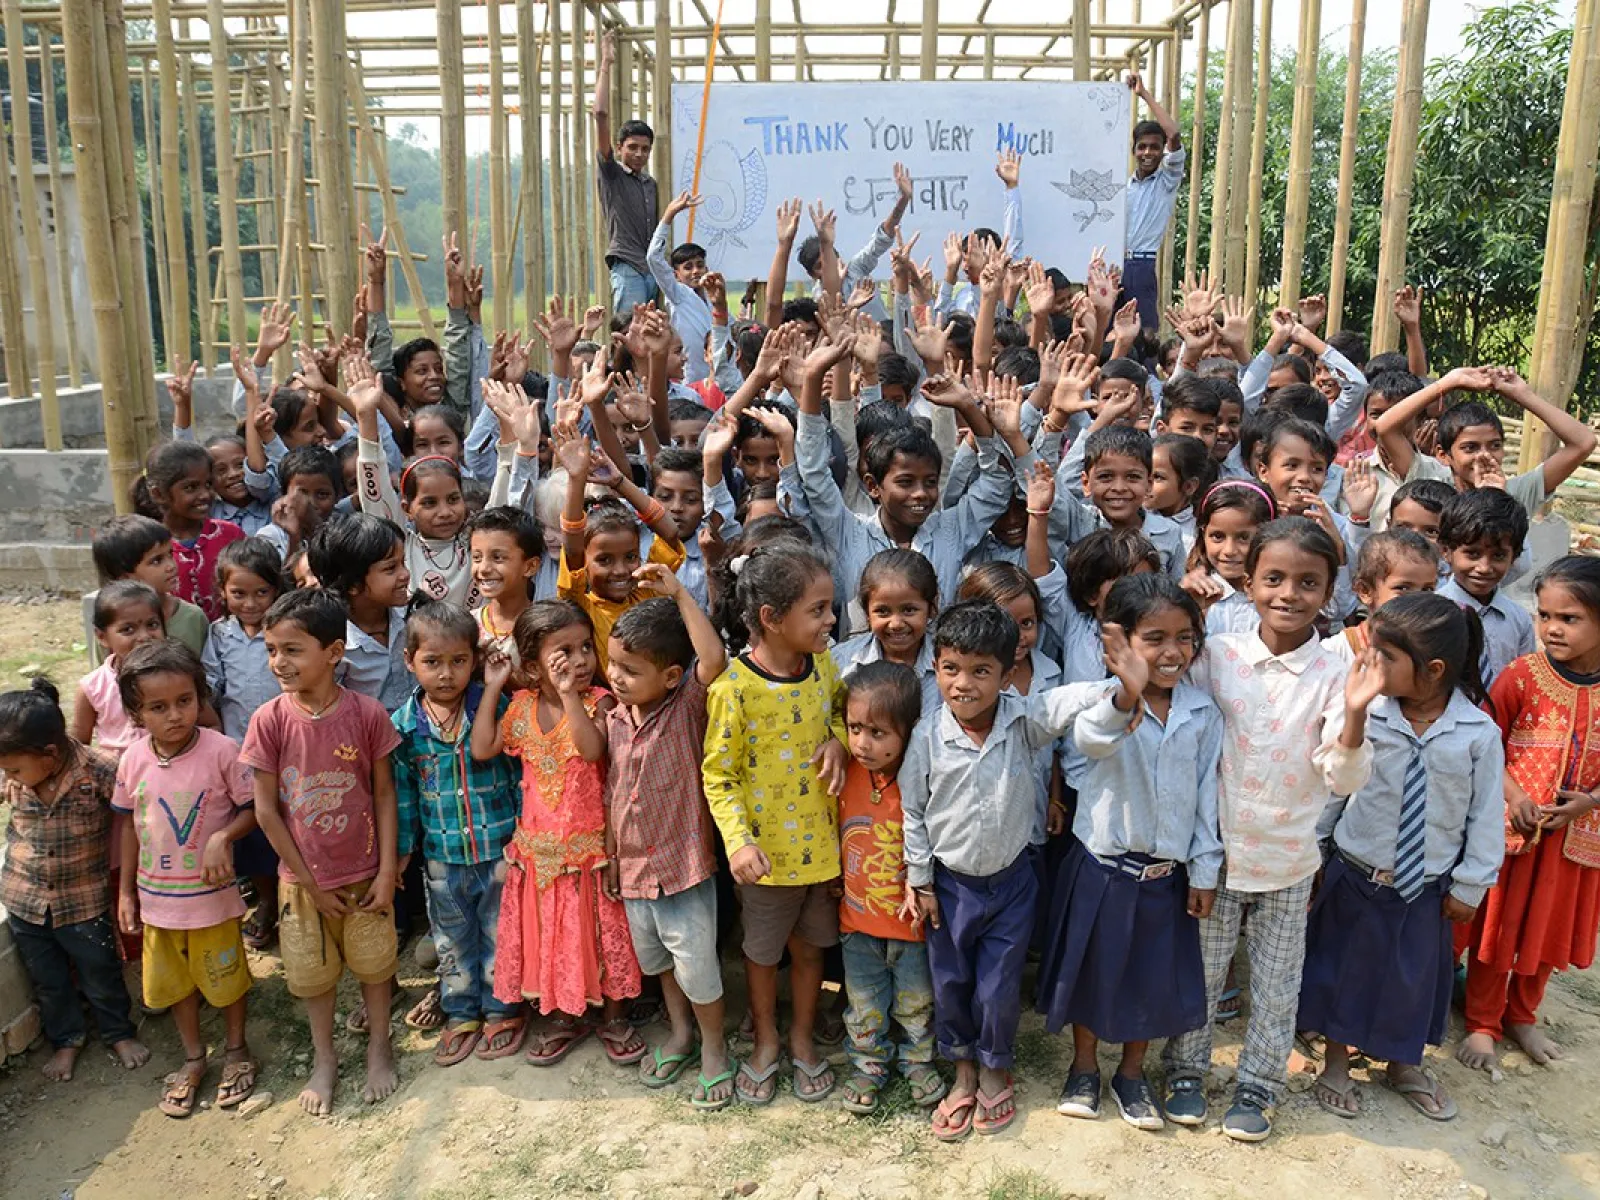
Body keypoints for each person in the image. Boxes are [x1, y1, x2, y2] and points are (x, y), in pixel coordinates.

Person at [1163, 517, 1379, 1142]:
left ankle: (1259, 1084)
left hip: (1289, 859)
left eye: (1308, 582)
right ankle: (1185, 1070)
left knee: (1277, 983)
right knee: (1202, 974)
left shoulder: (1339, 675)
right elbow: (1191, 735)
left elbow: (1342, 778)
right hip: (1218, 854)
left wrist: (1358, 713)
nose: (1289, 594)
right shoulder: (1220, 657)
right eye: (1274, 579)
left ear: (1331, 591)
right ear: (1250, 583)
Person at [900, 600, 1108, 1140]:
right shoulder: (927, 735)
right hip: (948, 887)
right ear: (936, 666)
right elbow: (913, 812)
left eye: (980, 671)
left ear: (1007, 670)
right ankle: (963, 1069)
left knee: (996, 986)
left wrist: (1118, 686)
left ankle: (995, 1066)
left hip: (1014, 882)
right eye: (950, 669)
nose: (963, 684)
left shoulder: (1023, 721)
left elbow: (1067, 701)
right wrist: (919, 880)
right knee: (951, 983)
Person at [1301, 593, 1503, 1122]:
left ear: (1433, 670)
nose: (1369, 666)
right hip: (1356, 871)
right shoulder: (1365, 716)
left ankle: (1401, 1062)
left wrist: (1472, 884)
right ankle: (1337, 1063)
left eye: (1385, 657)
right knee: (1342, 969)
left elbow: (1484, 815)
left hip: (1425, 885)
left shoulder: (1478, 734)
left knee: (1410, 979)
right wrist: (1317, 851)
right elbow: (1336, 791)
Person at [1038, 575, 1221, 1131]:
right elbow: (1092, 740)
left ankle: (1133, 1074)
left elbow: (1207, 796)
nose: (1172, 652)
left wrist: (1205, 868)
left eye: (1184, 638)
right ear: (1120, 644)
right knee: (1092, 973)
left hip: (1166, 874)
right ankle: (1086, 1066)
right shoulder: (1103, 700)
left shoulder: (1202, 713)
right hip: (1104, 870)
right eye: (1155, 638)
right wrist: (1127, 692)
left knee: (1151, 979)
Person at [242, 588, 403, 1115]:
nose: (278, 662)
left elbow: (383, 793)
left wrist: (385, 871)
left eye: (292, 649)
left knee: (375, 969)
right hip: (302, 882)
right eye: (271, 650)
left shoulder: (367, 714)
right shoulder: (269, 720)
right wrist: (309, 880)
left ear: (333, 652)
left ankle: (380, 1045)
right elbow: (266, 810)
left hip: (364, 874)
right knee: (313, 976)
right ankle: (325, 1058)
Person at [702, 542, 849, 1105]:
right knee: (762, 956)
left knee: (812, 950)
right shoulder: (733, 690)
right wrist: (737, 843)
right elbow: (720, 776)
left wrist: (838, 739)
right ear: (771, 618)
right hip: (763, 859)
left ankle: (801, 1038)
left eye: (829, 606)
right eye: (818, 609)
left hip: (821, 852)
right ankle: (765, 1041)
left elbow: (842, 710)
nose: (831, 619)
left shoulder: (825, 667)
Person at [473, 600, 645, 1067]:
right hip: (539, 851)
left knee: (600, 932)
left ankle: (613, 1017)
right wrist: (492, 688)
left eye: (586, 647)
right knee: (554, 937)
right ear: (532, 666)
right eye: (564, 652)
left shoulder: (600, 703)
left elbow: (592, 752)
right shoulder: (522, 708)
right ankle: (565, 1015)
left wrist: (571, 694)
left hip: (591, 849)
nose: (581, 659)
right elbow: (483, 747)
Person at [1458, 556, 1600, 1073]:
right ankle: (1482, 1021)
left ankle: (1523, 1014)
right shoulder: (1524, 676)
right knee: (1497, 927)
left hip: (1577, 840)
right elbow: (1484, 742)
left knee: (1547, 929)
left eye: (1569, 618)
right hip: (1514, 832)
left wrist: (1591, 801)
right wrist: (1515, 795)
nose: (1552, 629)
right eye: (1544, 615)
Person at [112, 640, 258, 1117]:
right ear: (136, 713)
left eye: (184, 701)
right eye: (158, 707)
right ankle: (194, 1057)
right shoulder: (133, 760)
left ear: (200, 697)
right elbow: (130, 826)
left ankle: (236, 1049)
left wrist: (223, 838)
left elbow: (254, 809)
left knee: (226, 977)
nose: (175, 715)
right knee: (176, 986)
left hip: (212, 899)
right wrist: (126, 890)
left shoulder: (221, 751)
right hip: (158, 903)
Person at [603, 577, 734, 1109]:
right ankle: (679, 1033)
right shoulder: (612, 719)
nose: (616, 677)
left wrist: (681, 595)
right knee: (657, 963)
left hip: (682, 868)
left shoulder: (684, 709)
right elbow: (614, 792)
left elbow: (713, 657)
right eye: (613, 664)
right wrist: (613, 858)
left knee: (698, 968)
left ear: (672, 676)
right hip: (633, 870)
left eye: (631, 671)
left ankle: (714, 1048)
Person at [392, 601, 523, 1066]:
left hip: (499, 849)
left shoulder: (495, 709)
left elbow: (516, 776)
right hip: (442, 856)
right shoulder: (404, 728)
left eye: (458, 661)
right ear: (410, 662)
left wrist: (523, 837)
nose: (446, 674)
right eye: (432, 662)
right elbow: (404, 796)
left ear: (476, 659)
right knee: (451, 937)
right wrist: (403, 853)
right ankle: (460, 1011)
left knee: (500, 930)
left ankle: (502, 1007)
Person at [0, 678, 149, 1082]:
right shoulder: (11, 769)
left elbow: (135, 816)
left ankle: (118, 1033)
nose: (8, 774)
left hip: (83, 900)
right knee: (48, 981)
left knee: (99, 971)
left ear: (49, 754)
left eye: (14, 768)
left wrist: (128, 889)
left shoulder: (98, 770)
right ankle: (67, 1039)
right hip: (25, 899)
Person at [836, 661, 947, 1116]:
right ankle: (869, 1061)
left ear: (910, 730)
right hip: (856, 921)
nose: (863, 742)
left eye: (878, 732)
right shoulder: (840, 767)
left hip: (911, 924)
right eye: (854, 728)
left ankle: (918, 1060)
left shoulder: (924, 777)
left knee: (916, 1000)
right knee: (863, 1001)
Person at [201, 537, 286, 950]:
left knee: (297, 825)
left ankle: (300, 904)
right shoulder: (219, 636)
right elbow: (211, 693)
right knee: (255, 835)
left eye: (261, 593)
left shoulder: (285, 630)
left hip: (291, 749)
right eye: (239, 593)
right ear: (223, 593)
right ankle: (268, 903)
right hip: (243, 755)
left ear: (277, 589)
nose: (250, 603)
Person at [554, 423, 685, 675]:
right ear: (585, 562)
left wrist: (619, 482)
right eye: (604, 560)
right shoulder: (580, 606)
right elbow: (572, 548)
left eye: (631, 557)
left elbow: (670, 533)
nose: (621, 570)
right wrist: (576, 480)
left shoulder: (646, 592)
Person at [308, 514, 413, 713]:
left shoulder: (415, 615)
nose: (405, 575)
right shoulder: (332, 643)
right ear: (353, 585)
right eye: (391, 568)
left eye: (403, 563)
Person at [135, 439, 246, 621]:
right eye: (190, 488)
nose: (204, 495)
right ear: (158, 494)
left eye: (208, 484)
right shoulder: (149, 547)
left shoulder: (231, 535)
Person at [592, 30, 660, 316]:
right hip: (627, 266)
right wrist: (606, 63)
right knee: (630, 333)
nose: (639, 154)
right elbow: (600, 114)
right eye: (632, 147)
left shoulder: (650, 184)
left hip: (651, 269)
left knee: (652, 335)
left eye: (645, 149)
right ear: (619, 148)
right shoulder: (613, 175)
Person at [1436, 488, 1533, 685]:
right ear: (1446, 551)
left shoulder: (1519, 620)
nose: (1484, 568)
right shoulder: (1432, 614)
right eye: (1472, 554)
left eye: (1498, 556)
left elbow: (1526, 680)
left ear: (1514, 557)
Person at [86, 514, 209, 667]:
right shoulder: (112, 626)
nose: (171, 565)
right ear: (125, 576)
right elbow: (103, 679)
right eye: (156, 561)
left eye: (170, 554)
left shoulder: (192, 618)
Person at [831, 549, 941, 717]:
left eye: (909, 610)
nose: (896, 624)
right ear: (867, 613)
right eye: (882, 611)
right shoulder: (842, 663)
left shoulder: (948, 666)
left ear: (931, 607)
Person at [73, 581, 168, 753]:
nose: (144, 637)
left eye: (152, 625)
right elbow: (79, 748)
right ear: (102, 636)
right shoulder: (92, 687)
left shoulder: (179, 675)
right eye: (128, 629)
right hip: (116, 774)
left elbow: (210, 723)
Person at [1121, 72, 1184, 331]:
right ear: (1134, 150)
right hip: (1116, 262)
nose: (1148, 152)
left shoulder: (1166, 181)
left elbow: (1174, 134)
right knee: (1107, 331)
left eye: (1154, 147)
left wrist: (1143, 94)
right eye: (1142, 146)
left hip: (1141, 265)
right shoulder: (1125, 187)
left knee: (1144, 333)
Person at [1321, 530, 1440, 664]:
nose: (1419, 600)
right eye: (1403, 588)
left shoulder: (1434, 651)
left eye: (1427, 589)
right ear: (1365, 591)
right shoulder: (1333, 654)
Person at [1181, 481, 1276, 637]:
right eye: (1217, 537)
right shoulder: (1194, 592)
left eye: (1244, 538)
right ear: (1203, 533)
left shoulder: (1276, 595)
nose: (1229, 551)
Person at [468, 505, 545, 668]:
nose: (483, 569)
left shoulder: (544, 628)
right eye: (476, 558)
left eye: (498, 558)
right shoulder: (467, 626)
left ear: (530, 566)